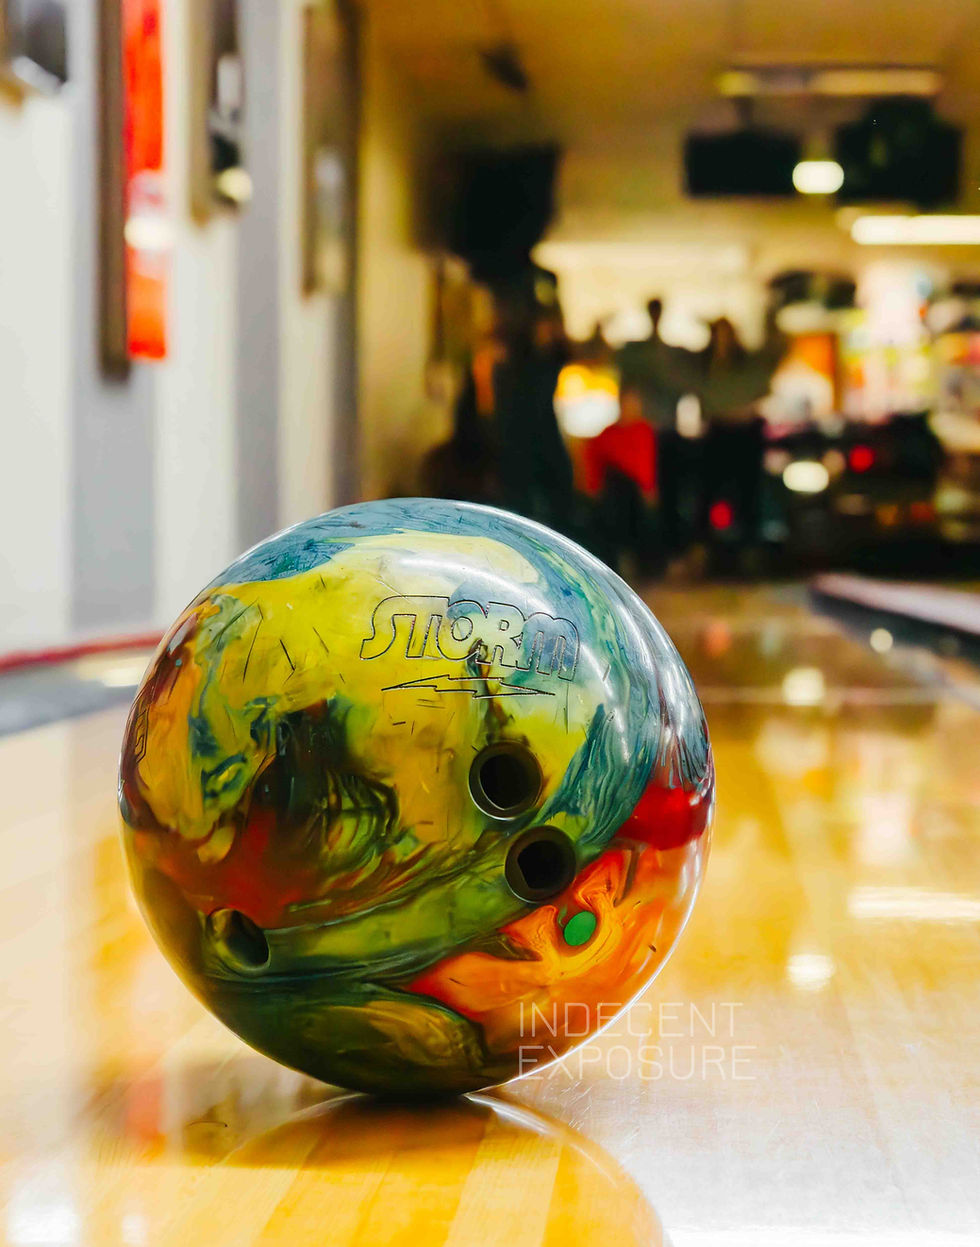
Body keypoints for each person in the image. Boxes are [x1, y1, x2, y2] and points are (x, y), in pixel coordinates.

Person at [582, 385, 662, 576]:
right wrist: (594, 489)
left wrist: (649, 488)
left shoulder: (645, 431)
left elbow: (646, 463)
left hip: (636, 495)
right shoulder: (607, 436)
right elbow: (594, 466)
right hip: (614, 496)